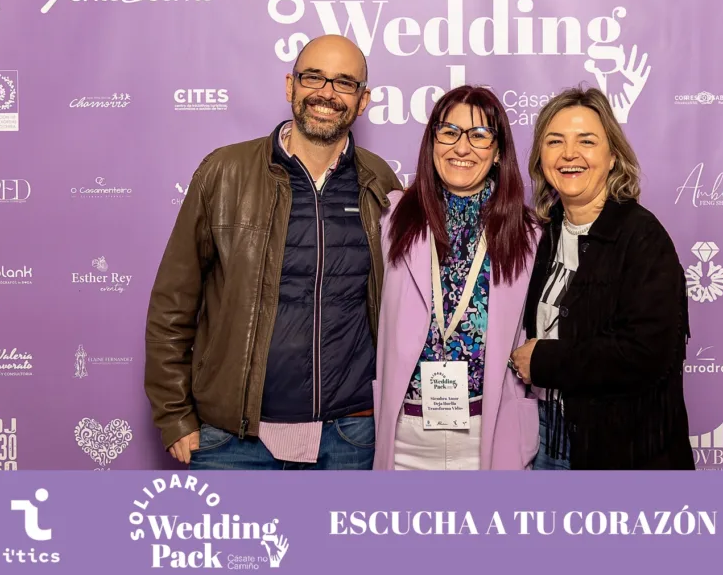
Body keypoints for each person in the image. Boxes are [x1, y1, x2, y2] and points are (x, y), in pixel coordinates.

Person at [145, 34, 401, 470]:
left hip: (350, 438)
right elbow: (173, 302)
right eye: (313, 77)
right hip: (234, 442)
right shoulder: (224, 173)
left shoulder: (378, 182)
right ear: (290, 86)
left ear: (363, 101)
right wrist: (174, 415)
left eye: (344, 83)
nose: (326, 93)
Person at [509, 86, 694, 470]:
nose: (569, 154)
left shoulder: (642, 237)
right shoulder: (547, 232)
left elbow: (647, 355)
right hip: (548, 439)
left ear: (612, 157)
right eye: (554, 141)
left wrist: (546, 360)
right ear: (541, 158)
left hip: (622, 452)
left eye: (586, 141)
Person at [372, 85, 540, 470]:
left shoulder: (529, 232)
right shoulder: (393, 217)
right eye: (449, 132)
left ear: (498, 152)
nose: (461, 148)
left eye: (479, 135)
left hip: (491, 432)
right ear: (432, 142)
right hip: (404, 437)